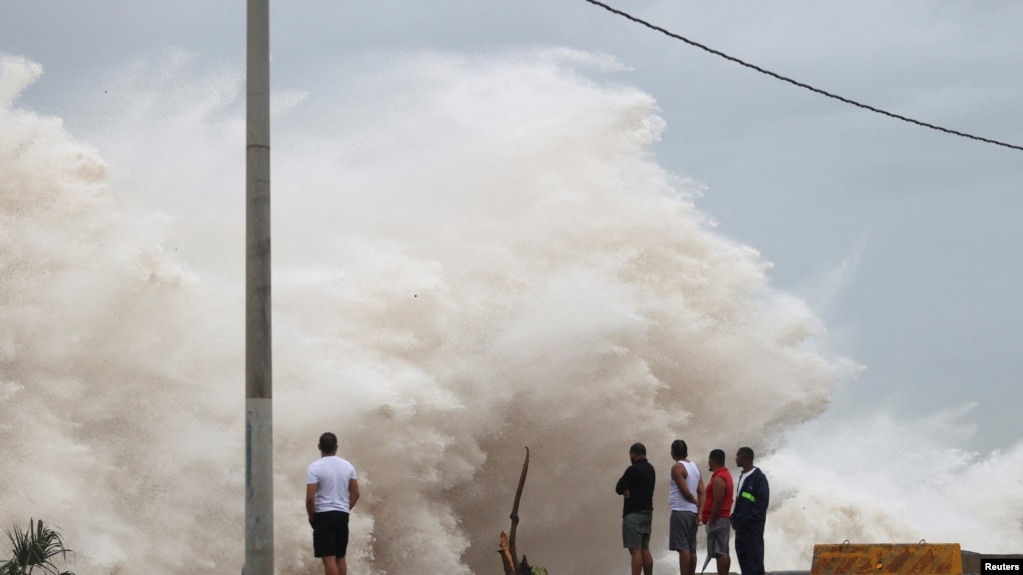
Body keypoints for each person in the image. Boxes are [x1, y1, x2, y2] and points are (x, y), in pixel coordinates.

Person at [306, 432, 360, 575]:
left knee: (329, 558)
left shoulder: (315, 467)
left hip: (324, 514)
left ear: (319, 447)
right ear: (336, 447)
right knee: (340, 556)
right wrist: (344, 509)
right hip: (342, 515)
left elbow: (310, 499)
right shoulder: (348, 466)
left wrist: (312, 517)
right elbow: (356, 494)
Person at [615, 442, 656, 575]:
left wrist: (626, 488)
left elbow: (618, 488)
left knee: (635, 551)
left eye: (630, 454)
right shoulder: (651, 469)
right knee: (645, 548)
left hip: (633, 514)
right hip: (647, 513)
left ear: (634, 454)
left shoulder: (632, 470)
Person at [668, 439, 704, 575]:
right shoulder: (694, 466)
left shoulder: (677, 467)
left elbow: (686, 492)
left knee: (683, 548)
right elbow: (702, 491)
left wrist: (694, 501)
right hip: (692, 513)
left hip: (680, 510)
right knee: (691, 548)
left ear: (673, 452)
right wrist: (699, 512)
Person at [732, 446, 769, 575]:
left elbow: (761, 505)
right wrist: (734, 518)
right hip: (741, 530)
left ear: (744, 457)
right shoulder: (743, 476)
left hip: (752, 531)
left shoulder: (759, 478)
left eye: (738, 456)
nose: (736, 459)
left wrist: (748, 521)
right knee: (744, 563)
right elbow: (741, 502)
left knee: (755, 564)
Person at [699, 449, 734, 575]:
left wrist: (712, 520)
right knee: (723, 550)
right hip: (722, 519)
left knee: (720, 552)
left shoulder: (719, 478)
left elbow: (718, 502)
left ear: (711, 460)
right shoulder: (724, 474)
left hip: (718, 519)